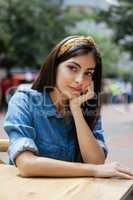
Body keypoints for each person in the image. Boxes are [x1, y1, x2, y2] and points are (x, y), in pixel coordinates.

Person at [3, 35, 133, 179]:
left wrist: (76, 111)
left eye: (88, 73)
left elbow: (96, 161)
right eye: (72, 68)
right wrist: (93, 171)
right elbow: (27, 164)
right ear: (54, 66)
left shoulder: (87, 105)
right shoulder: (24, 100)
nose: (80, 80)